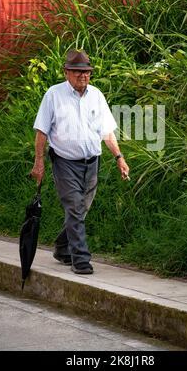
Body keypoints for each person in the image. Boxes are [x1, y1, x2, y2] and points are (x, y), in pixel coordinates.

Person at [30, 49, 130, 275]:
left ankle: (63, 246)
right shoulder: (53, 95)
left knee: (81, 209)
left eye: (86, 72)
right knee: (75, 208)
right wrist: (39, 163)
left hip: (92, 163)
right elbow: (41, 132)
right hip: (64, 163)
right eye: (77, 72)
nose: (83, 76)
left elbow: (107, 132)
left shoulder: (96, 95)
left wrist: (119, 157)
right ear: (66, 72)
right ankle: (81, 260)